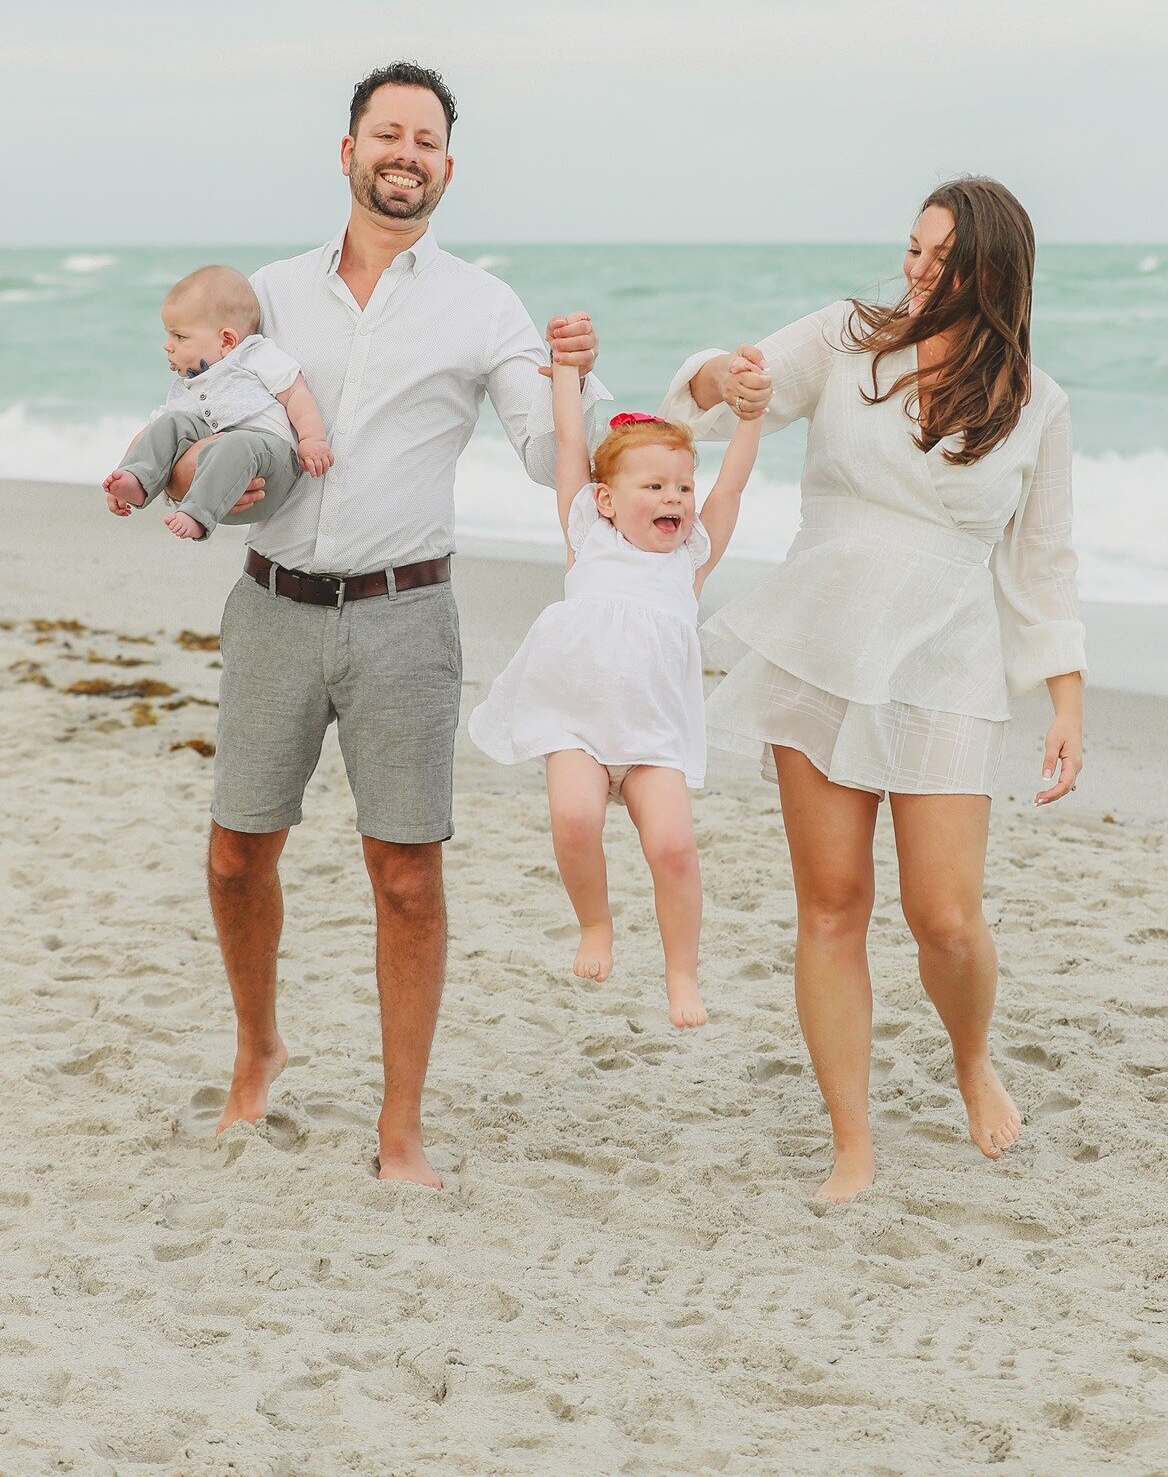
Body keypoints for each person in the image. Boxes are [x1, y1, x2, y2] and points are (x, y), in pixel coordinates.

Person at [165, 61, 605, 1189]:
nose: (403, 153)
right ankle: (258, 1049)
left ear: (447, 168)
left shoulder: (483, 306)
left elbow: (555, 459)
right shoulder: (266, 293)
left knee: (406, 876)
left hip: (407, 616)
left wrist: (583, 387)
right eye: (385, 133)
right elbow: (197, 417)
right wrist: (198, 465)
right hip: (273, 607)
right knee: (233, 854)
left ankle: (399, 1126)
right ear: (348, 151)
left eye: (425, 139)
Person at [662, 178, 1086, 1201]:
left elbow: (1044, 565)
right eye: (912, 250)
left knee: (946, 916)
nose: (918, 273)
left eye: (943, 261)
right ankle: (853, 1143)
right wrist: (731, 379)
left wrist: (1066, 700)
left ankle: (971, 1059)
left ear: (994, 275)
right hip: (818, 639)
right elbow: (725, 385)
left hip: (946, 660)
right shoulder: (849, 340)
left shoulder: (1036, 402)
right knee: (834, 905)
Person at [469, 354, 766, 1028]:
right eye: (654, 486)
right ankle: (595, 925)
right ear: (606, 501)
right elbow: (572, 448)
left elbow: (732, 490)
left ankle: (680, 974)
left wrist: (748, 420)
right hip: (572, 723)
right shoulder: (587, 538)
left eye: (681, 488)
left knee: (672, 849)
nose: (674, 499)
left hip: (652, 736)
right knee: (575, 819)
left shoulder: (689, 559)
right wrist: (569, 378)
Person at [102, 263, 332, 540]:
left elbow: (295, 392)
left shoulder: (254, 355)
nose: (167, 345)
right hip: (224, 471)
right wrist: (123, 470)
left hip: (271, 463)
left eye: (180, 336)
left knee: (235, 443)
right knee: (171, 423)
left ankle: (197, 515)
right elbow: (152, 434)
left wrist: (312, 439)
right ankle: (139, 482)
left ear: (226, 340)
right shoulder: (192, 385)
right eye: (168, 335)